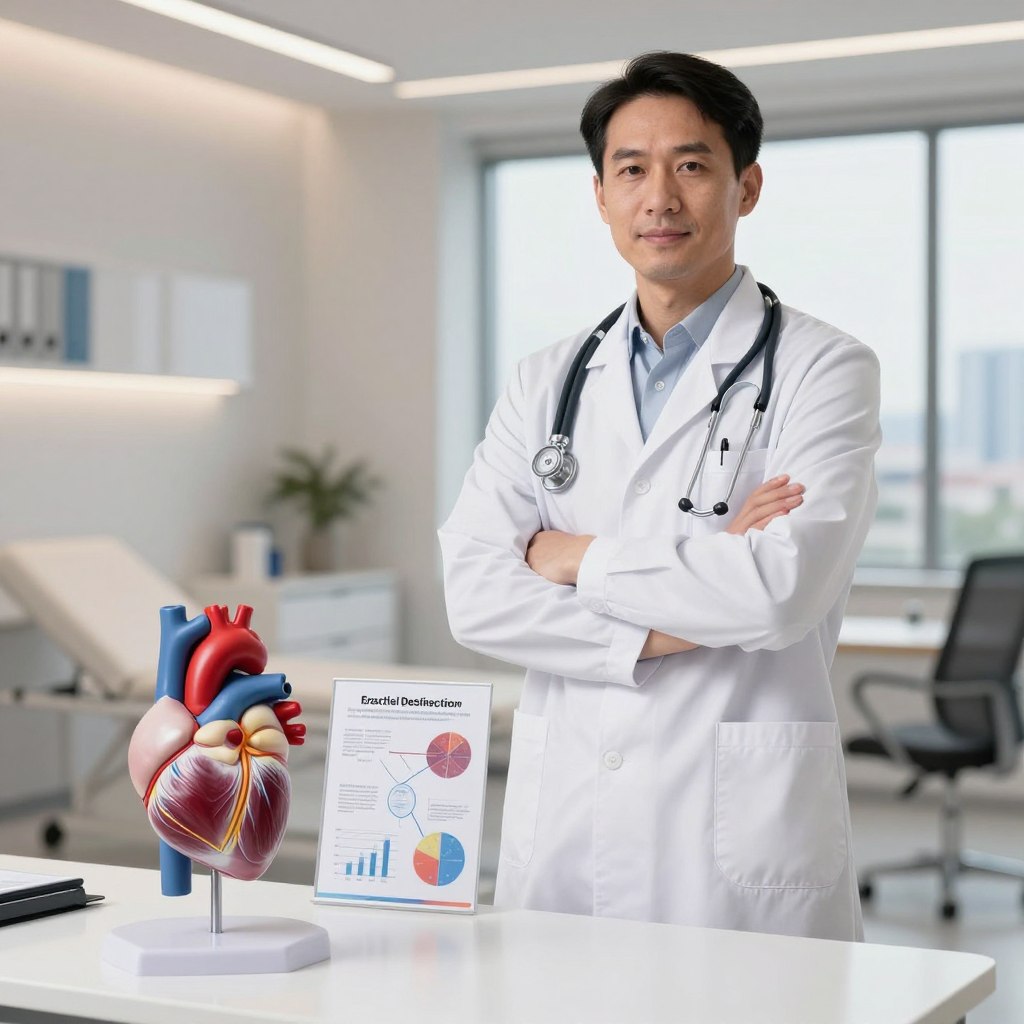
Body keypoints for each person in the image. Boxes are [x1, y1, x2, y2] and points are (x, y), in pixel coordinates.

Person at [438, 51, 880, 941]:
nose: (660, 197)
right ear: (599, 194)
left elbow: (779, 591)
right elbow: (476, 596)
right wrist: (707, 588)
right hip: (566, 824)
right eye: (630, 169)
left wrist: (572, 561)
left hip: (736, 853)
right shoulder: (544, 381)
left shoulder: (825, 369)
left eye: (692, 165)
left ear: (746, 186)